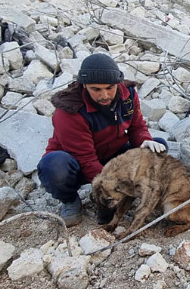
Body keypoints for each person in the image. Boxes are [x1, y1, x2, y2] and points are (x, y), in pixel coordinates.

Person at [37, 53, 168, 226]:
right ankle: (70, 200)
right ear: (84, 86)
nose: (105, 95)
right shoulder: (69, 111)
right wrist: (119, 187)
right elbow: (86, 159)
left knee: (157, 148)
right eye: (96, 89)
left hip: (113, 154)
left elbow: (137, 127)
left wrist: (144, 141)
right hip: (76, 165)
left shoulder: (127, 94)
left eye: (109, 88)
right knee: (53, 167)